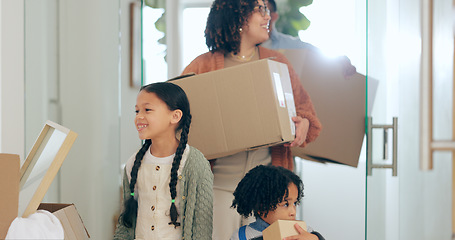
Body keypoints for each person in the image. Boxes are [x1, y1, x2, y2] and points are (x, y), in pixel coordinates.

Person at [181, 0, 322, 239]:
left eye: (267, 9)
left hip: (268, 196)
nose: (268, 16)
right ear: (237, 14)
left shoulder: (277, 63)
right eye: (261, 9)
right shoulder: (202, 66)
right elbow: (176, 121)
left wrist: (304, 123)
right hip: (217, 190)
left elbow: (309, 116)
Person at [113, 82, 213, 240]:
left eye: (147, 110)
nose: (139, 117)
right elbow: (125, 223)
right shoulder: (133, 163)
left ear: (175, 116)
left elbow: (202, 227)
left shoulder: (194, 163)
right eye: (137, 110)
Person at [261, 0, 356, 76]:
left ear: (273, 17)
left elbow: (318, 57)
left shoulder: (290, 45)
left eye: (262, 11)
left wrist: (339, 61)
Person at [230, 165, 325, 240]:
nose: (293, 212)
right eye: (285, 204)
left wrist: (316, 238)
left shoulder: (304, 231)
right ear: (261, 207)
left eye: (295, 203)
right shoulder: (241, 236)